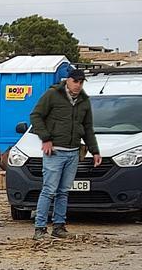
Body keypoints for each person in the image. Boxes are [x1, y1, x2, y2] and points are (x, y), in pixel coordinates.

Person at [28, 68, 102, 240]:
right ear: (68, 80)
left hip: (73, 152)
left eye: (81, 82)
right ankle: (40, 228)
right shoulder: (52, 95)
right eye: (75, 81)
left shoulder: (84, 101)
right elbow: (36, 116)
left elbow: (88, 128)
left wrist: (95, 150)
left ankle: (59, 226)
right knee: (49, 190)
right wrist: (46, 138)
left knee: (64, 191)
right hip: (55, 151)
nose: (78, 85)